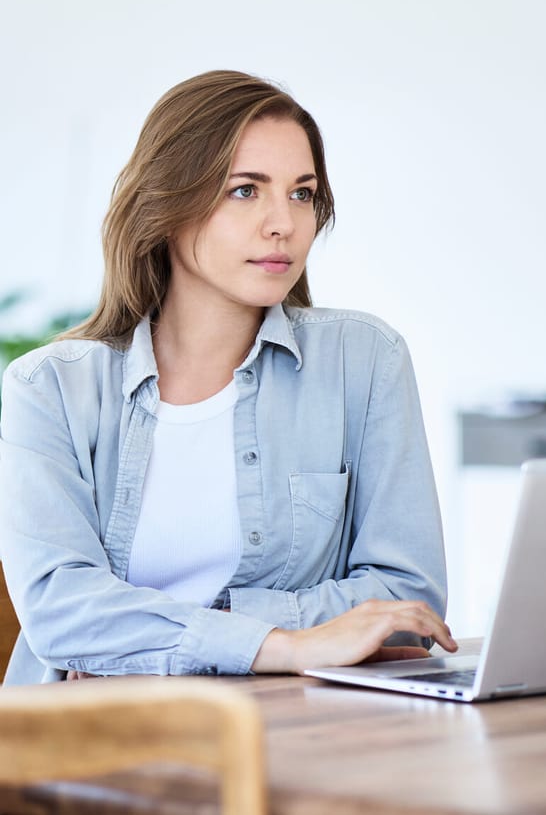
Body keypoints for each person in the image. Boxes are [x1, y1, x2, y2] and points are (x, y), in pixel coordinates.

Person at [0, 70, 456, 685]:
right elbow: (60, 614)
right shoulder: (49, 388)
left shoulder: (366, 360)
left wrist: (145, 636)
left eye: (302, 193)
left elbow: (408, 604)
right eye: (245, 190)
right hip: (84, 743)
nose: (283, 224)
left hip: (305, 732)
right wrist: (287, 644)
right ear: (165, 204)